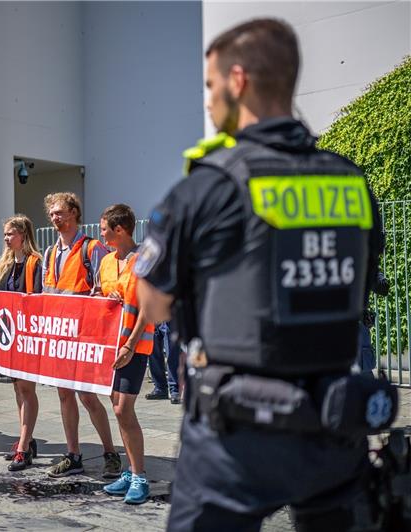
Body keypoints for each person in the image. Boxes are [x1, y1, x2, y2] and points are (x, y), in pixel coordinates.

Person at [134, 19, 385, 530]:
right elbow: (358, 284)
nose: (207, 100)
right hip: (336, 429)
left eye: (210, 85)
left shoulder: (209, 185)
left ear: (238, 80)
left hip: (235, 438)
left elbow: (154, 303)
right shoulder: (351, 181)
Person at [41, 192, 122, 479]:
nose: (55, 218)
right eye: (52, 214)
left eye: (60, 212)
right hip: (60, 337)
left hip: (84, 336)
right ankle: (73, 455)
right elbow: (46, 294)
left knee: (88, 397)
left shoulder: (92, 249)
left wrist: (101, 294)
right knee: (65, 395)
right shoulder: (50, 253)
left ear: (74, 212)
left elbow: (105, 287)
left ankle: (111, 453)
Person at [95, 204, 154, 504]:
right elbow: (98, 294)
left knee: (123, 409)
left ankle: (140, 477)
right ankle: (131, 472)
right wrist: (102, 295)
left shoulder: (144, 259)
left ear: (120, 230)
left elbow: (147, 306)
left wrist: (130, 343)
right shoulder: (105, 262)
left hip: (134, 345)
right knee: (115, 403)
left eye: (104, 228)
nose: (101, 233)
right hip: (109, 345)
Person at [0, 215, 43, 471]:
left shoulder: (35, 262)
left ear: (23, 235)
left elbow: (36, 298)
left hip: (27, 336)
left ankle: (23, 447)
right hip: (11, 336)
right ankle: (27, 439)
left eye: (10, 234)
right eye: (5, 234)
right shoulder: (7, 263)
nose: (6, 238)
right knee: (18, 390)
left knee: (26, 389)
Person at [146, 321, 181, 403]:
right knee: (152, 351)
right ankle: (160, 387)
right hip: (152, 315)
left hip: (168, 315)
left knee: (171, 353)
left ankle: (175, 390)